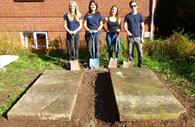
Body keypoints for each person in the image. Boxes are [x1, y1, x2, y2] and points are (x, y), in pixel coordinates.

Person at [124, 0, 144, 68]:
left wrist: (142, 37)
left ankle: (140, 64)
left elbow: (143, 27)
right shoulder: (127, 16)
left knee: (140, 52)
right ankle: (131, 65)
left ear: (137, 6)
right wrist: (127, 31)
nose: (133, 7)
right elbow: (124, 26)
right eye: (132, 6)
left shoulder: (140, 15)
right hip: (130, 37)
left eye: (134, 5)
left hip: (138, 37)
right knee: (130, 52)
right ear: (130, 7)